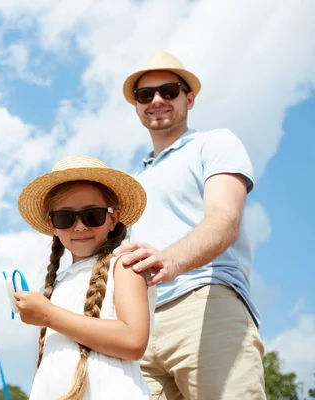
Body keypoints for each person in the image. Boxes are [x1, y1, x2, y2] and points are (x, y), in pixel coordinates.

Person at [114, 50, 266, 399]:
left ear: (189, 97)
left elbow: (225, 219)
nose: (156, 100)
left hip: (205, 303)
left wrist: (169, 261)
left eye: (168, 91)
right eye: (145, 95)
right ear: (136, 106)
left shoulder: (214, 143)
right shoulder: (133, 182)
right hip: (141, 328)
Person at [15, 155, 156, 400]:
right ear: (52, 225)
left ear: (113, 218)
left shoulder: (123, 265)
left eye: (92, 215)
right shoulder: (57, 283)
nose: (79, 226)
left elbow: (133, 340)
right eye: (65, 218)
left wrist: (48, 314)